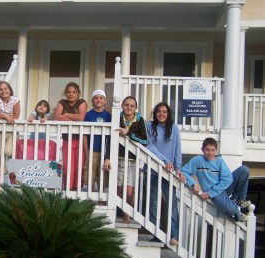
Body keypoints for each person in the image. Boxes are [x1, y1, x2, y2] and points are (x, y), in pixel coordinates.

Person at [181, 137, 251, 223]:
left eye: (212, 150)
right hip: (215, 194)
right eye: (207, 150)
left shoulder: (219, 161)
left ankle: (238, 200)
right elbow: (183, 171)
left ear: (216, 150)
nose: (210, 153)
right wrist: (193, 183)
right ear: (202, 150)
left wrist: (211, 192)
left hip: (222, 188)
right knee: (231, 209)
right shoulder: (198, 160)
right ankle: (238, 214)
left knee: (244, 170)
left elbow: (228, 179)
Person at [103, 96, 148, 223]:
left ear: (136, 108)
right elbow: (109, 139)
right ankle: (123, 213)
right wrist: (107, 158)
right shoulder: (116, 118)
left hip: (133, 160)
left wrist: (128, 133)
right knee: (118, 189)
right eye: (126, 105)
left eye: (132, 105)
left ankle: (127, 214)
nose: (129, 107)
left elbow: (144, 141)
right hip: (117, 158)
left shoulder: (140, 120)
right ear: (122, 106)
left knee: (129, 192)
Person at [146, 103, 185, 246]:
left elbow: (177, 149)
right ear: (155, 113)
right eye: (159, 111)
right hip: (153, 169)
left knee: (172, 205)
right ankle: (157, 234)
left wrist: (178, 168)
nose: (161, 114)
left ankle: (174, 235)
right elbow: (149, 145)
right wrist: (164, 160)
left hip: (169, 172)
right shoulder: (149, 126)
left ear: (168, 114)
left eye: (164, 112)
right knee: (154, 204)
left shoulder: (174, 128)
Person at [54, 82, 88, 190]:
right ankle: (68, 191)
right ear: (65, 94)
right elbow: (57, 117)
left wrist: (67, 115)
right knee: (68, 168)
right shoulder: (62, 102)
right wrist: (74, 121)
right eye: (68, 92)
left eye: (74, 92)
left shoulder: (82, 102)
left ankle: (76, 192)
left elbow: (81, 117)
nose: (71, 94)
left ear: (78, 93)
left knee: (78, 168)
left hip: (80, 140)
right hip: (67, 140)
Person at [0, 81, 20, 192]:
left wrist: (6, 116)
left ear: (9, 90)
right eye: (1, 89)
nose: (4, 91)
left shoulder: (15, 100)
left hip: (12, 131)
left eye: (6, 89)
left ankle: (12, 177)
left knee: (9, 152)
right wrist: (5, 116)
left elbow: (16, 116)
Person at [82, 89, 111, 191]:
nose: (98, 100)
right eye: (96, 98)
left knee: (102, 174)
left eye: (101, 98)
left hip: (104, 150)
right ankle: (89, 199)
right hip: (92, 149)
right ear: (92, 101)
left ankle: (101, 199)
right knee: (90, 172)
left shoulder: (109, 116)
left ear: (105, 101)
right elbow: (84, 134)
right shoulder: (88, 114)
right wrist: (86, 149)